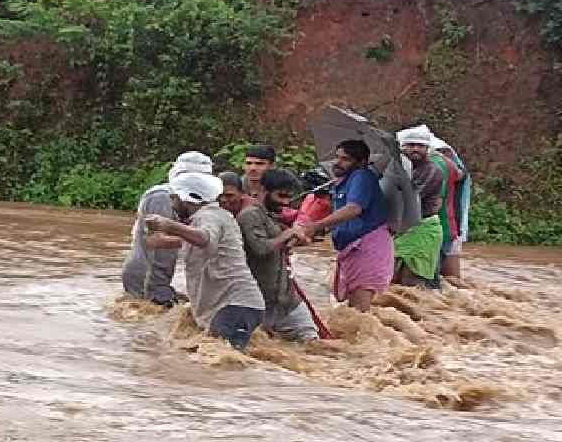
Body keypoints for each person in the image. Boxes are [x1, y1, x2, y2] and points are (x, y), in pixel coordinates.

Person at [144, 172, 267, 350]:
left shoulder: (209, 216)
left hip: (236, 304)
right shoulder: (211, 217)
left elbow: (205, 239)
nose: (172, 204)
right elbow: (204, 243)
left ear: (187, 199)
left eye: (174, 198)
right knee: (211, 359)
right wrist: (162, 241)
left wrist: (169, 226)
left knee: (218, 360)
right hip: (234, 306)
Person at [293, 140, 393, 313]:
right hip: (352, 247)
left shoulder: (362, 177)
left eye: (345, 159)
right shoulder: (344, 181)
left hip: (366, 247)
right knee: (350, 309)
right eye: (337, 157)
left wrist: (317, 226)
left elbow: (354, 209)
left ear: (361, 162)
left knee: (359, 311)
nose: (337, 163)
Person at [236, 169, 320, 342]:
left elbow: (281, 242)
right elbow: (260, 248)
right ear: (264, 191)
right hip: (259, 301)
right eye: (281, 196)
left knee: (313, 344)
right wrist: (288, 234)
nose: (286, 202)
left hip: (287, 300)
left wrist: (296, 238)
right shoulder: (250, 215)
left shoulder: (273, 215)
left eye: (289, 197)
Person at [120, 151, 213, 306]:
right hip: (146, 274)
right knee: (145, 322)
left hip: (161, 274)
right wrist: (200, 239)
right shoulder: (161, 197)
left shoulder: (188, 199)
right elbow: (154, 240)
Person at [394, 125, 458, 288]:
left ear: (427, 149)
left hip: (423, 230)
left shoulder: (432, 171)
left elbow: (411, 198)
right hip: (402, 230)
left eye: (420, 146)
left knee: (412, 283)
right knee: (393, 281)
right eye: (410, 145)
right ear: (402, 148)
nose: (415, 149)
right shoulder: (400, 168)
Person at [432, 136, 471, 280]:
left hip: (444, 228)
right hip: (450, 228)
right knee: (451, 280)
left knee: (448, 279)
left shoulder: (441, 169)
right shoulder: (452, 169)